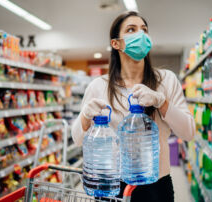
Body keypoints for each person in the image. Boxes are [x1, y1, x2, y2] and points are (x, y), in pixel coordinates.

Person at [71, 11, 195, 202]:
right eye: (132, 29)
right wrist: (85, 117)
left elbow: (188, 132)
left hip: (156, 186)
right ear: (116, 43)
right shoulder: (98, 86)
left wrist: (162, 103)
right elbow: (77, 139)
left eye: (144, 30)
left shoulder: (167, 80)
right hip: (111, 186)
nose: (141, 35)